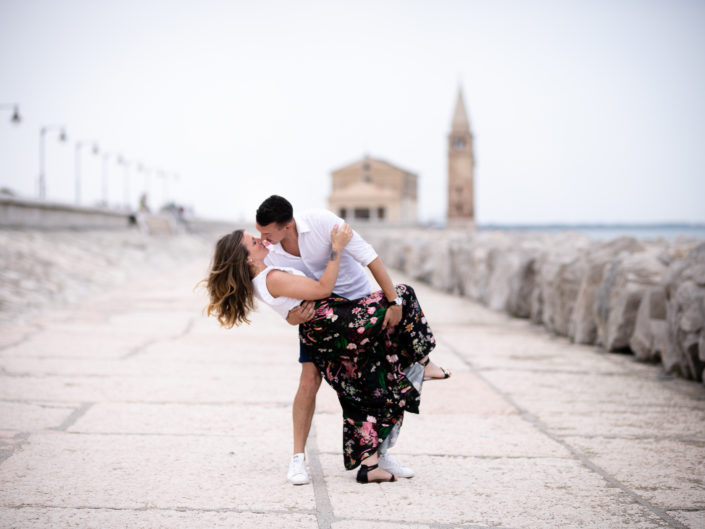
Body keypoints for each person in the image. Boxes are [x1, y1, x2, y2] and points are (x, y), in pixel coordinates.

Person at [204, 225, 449, 483]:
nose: (261, 241)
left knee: (364, 386)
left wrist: (291, 316)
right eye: (254, 242)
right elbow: (321, 290)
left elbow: (289, 305)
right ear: (247, 259)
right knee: (402, 295)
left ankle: (371, 462)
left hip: (323, 328)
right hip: (333, 324)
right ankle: (424, 361)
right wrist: (336, 248)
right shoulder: (271, 277)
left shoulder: (264, 274)